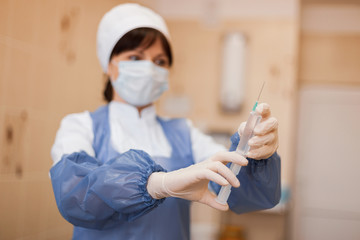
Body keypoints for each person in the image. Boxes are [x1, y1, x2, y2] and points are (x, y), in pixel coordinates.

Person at [50, 3, 281, 240]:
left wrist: (255, 156)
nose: (149, 68)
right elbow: (75, 195)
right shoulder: (80, 126)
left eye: (159, 61)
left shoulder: (185, 133)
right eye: (135, 57)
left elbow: (242, 192)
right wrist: (155, 184)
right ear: (109, 66)